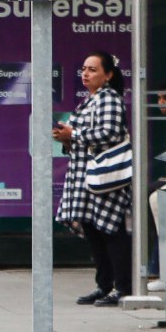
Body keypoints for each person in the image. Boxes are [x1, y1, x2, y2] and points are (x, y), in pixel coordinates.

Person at [53, 51, 134, 305]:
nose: (86, 74)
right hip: (85, 176)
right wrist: (66, 137)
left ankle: (122, 286)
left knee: (111, 230)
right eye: (84, 69)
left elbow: (109, 132)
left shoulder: (109, 99)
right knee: (93, 230)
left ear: (108, 75)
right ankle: (104, 285)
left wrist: (73, 134)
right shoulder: (90, 100)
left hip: (105, 177)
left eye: (93, 70)